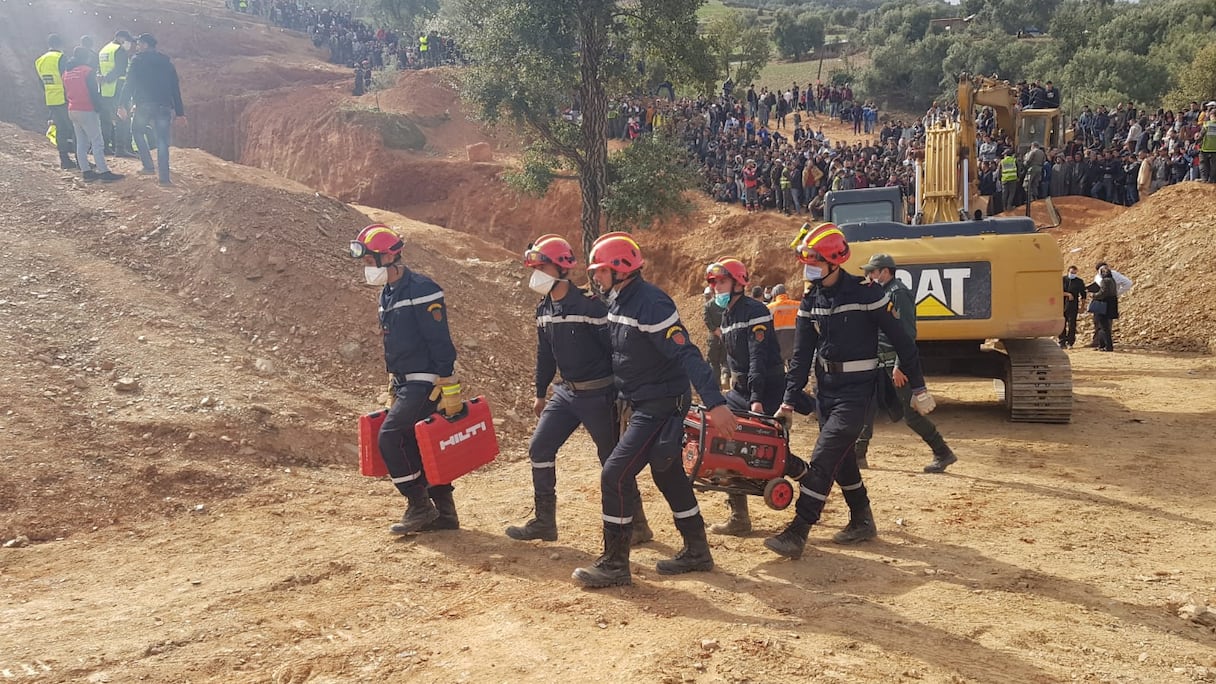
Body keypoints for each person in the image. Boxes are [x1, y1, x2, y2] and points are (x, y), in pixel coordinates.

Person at [572, 232, 736, 588]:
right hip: (641, 401)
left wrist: (716, 403)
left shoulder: (651, 304)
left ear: (620, 270)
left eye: (600, 271)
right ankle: (698, 551)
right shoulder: (619, 301)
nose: (596, 278)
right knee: (668, 475)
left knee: (614, 475)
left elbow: (687, 353)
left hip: (660, 406)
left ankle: (615, 564)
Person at [767, 224, 936, 559]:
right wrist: (788, 401)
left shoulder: (867, 294)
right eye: (806, 258)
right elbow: (801, 357)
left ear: (833, 261)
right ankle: (862, 519)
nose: (808, 265)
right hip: (825, 392)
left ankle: (799, 529)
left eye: (814, 259)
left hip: (858, 392)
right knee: (843, 460)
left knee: (824, 455)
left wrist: (918, 386)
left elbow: (904, 340)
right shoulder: (811, 300)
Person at [507, 235, 654, 544]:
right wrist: (539, 392)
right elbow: (545, 354)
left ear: (562, 268)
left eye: (542, 266)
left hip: (600, 395)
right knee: (540, 448)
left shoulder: (591, 306)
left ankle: (638, 525)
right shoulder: (544, 309)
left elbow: (616, 351)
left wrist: (624, 394)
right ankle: (544, 522)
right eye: (534, 267)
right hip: (566, 394)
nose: (536, 273)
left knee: (612, 460)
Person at [350, 224, 463, 535]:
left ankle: (419, 505)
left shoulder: (423, 289)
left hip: (426, 382)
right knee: (422, 443)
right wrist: (392, 385)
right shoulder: (388, 293)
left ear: (388, 256)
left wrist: (448, 386)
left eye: (370, 261)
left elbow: (440, 340)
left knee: (389, 436)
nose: (366, 268)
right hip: (404, 381)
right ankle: (445, 514)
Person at [704, 259, 788, 537]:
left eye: (722, 282)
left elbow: (757, 358)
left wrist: (756, 398)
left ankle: (813, 492)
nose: (717, 288)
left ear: (739, 283)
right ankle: (739, 518)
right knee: (727, 444)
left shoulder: (755, 311)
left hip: (766, 389)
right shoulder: (726, 315)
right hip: (741, 391)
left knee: (776, 452)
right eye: (714, 283)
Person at [854, 254, 956, 475]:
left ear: (885, 271)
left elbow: (907, 334)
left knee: (911, 413)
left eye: (873, 271)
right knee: (866, 406)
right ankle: (858, 455)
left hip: (895, 364)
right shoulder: (882, 293)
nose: (869, 275)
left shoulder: (898, 293)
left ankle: (942, 452)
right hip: (879, 361)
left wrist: (900, 365)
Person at [118, 33, 185, 186]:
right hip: (164, 106)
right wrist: (180, 113)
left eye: (140, 44)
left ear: (146, 45)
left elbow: (129, 84)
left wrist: (122, 104)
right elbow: (175, 88)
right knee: (162, 141)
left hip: (144, 105)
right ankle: (164, 178)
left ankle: (148, 166)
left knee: (136, 131)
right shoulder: (167, 62)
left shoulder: (137, 60)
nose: (137, 46)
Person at [62, 47, 123, 182]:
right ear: (85, 58)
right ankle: (104, 172)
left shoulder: (67, 72)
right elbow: (93, 91)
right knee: (97, 141)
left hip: (72, 109)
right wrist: (99, 108)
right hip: (87, 109)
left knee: (81, 142)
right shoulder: (87, 71)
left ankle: (86, 172)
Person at [35, 33, 75, 169]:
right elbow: (67, 78)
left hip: (51, 99)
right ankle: (80, 160)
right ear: (61, 45)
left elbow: (41, 82)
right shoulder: (61, 58)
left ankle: (64, 159)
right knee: (74, 129)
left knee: (61, 129)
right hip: (64, 98)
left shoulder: (39, 60)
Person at [97, 31, 135, 157]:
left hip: (105, 90)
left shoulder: (104, 50)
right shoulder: (119, 50)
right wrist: (107, 78)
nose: (129, 44)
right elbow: (120, 70)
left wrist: (103, 79)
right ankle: (120, 149)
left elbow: (100, 69)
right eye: (127, 40)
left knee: (106, 120)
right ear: (120, 38)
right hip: (119, 89)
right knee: (122, 118)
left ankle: (105, 147)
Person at [766, 283, 799, 367]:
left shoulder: (769, 307)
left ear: (774, 295)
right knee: (793, 367)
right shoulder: (797, 305)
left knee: (778, 369)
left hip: (777, 342)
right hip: (793, 341)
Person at [1089, 263, 1119, 352]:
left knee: (1103, 326)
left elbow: (1103, 293)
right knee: (1105, 326)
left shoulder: (1105, 281)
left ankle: (1108, 346)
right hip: (1111, 304)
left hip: (1104, 305)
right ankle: (1102, 345)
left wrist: (1093, 295)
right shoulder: (1112, 280)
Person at [702, 286, 726, 388]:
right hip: (726, 336)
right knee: (725, 360)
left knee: (713, 362)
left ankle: (717, 386)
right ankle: (726, 377)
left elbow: (706, 320)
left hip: (713, 338)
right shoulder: (726, 304)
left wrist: (715, 330)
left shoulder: (708, 306)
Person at [1059, 265, 1086, 349]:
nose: (1073, 274)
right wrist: (1067, 294)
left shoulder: (1079, 282)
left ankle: (1070, 342)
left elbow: (1083, 295)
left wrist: (1082, 307)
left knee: (1072, 324)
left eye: (1074, 273)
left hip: (1073, 305)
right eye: (1071, 272)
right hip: (1062, 305)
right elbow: (1057, 291)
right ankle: (1062, 341)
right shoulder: (1062, 280)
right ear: (1068, 271)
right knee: (1062, 324)